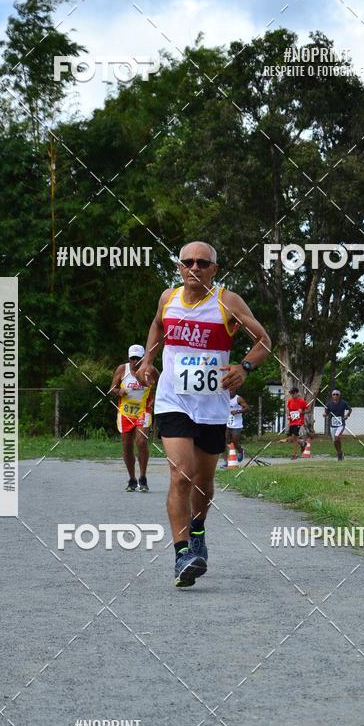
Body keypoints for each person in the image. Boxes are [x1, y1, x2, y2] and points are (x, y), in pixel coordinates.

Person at [136, 241, 271, 587]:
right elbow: (156, 327)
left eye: (202, 262)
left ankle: (197, 530)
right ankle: (182, 554)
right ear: (179, 267)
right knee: (182, 475)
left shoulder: (227, 301)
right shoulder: (168, 298)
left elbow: (264, 341)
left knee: (204, 481)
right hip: (172, 400)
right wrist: (148, 360)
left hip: (212, 405)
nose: (193, 268)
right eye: (187, 262)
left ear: (214, 268)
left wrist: (244, 367)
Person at [110, 345, 158, 491]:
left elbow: (164, 385)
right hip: (125, 413)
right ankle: (132, 479)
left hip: (143, 411)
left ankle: (143, 478)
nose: (135, 361)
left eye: (138, 358)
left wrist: (155, 399)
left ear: (144, 358)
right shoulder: (122, 370)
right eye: (132, 358)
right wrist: (119, 391)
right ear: (129, 358)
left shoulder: (151, 370)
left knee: (141, 441)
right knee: (127, 446)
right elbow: (111, 389)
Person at [220, 393, 249, 467]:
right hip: (226, 423)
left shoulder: (238, 398)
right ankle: (226, 462)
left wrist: (237, 411)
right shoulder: (224, 397)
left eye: (232, 390)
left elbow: (247, 408)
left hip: (237, 424)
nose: (230, 392)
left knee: (235, 441)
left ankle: (240, 450)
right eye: (228, 390)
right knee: (224, 442)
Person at [324, 388, 352, 460]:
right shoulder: (329, 404)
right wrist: (325, 414)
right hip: (332, 425)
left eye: (337, 394)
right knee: (335, 441)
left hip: (341, 424)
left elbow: (350, 409)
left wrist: (347, 415)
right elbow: (326, 412)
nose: (335, 396)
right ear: (332, 395)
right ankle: (339, 453)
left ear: (339, 396)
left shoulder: (343, 403)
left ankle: (339, 454)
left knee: (337, 438)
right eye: (334, 394)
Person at [286, 386, 311, 459]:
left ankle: (294, 455)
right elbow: (289, 410)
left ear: (297, 393)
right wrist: (288, 415)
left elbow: (309, 410)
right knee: (291, 439)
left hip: (299, 422)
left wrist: (302, 411)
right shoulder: (290, 401)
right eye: (291, 393)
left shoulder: (302, 401)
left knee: (294, 437)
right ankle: (302, 442)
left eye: (293, 393)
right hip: (292, 422)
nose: (292, 395)